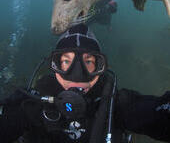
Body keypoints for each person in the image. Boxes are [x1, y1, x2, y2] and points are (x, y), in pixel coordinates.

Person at [0, 23, 170, 143]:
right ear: (55, 66)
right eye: (66, 62)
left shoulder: (116, 104)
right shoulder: (33, 104)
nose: (77, 75)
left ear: (101, 67)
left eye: (88, 62)